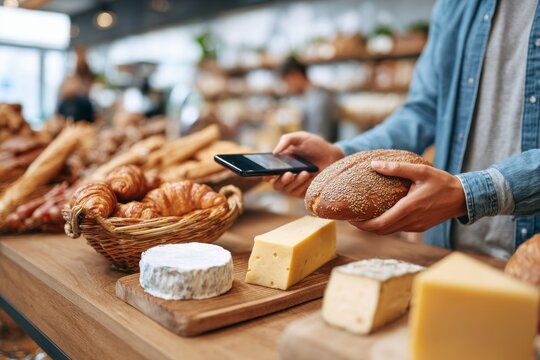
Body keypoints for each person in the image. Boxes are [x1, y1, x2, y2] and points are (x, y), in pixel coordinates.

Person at [271, 0, 540, 260]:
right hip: (443, 255)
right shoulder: (455, 5)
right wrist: (342, 155)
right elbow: (422, 110)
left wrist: (469, 193)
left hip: (529, 264)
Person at [279, 57, 338, 142]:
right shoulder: (305, 98)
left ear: (295, 76)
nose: (286, 88)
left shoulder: (320, 98)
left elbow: (322, 137)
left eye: (286, 82)